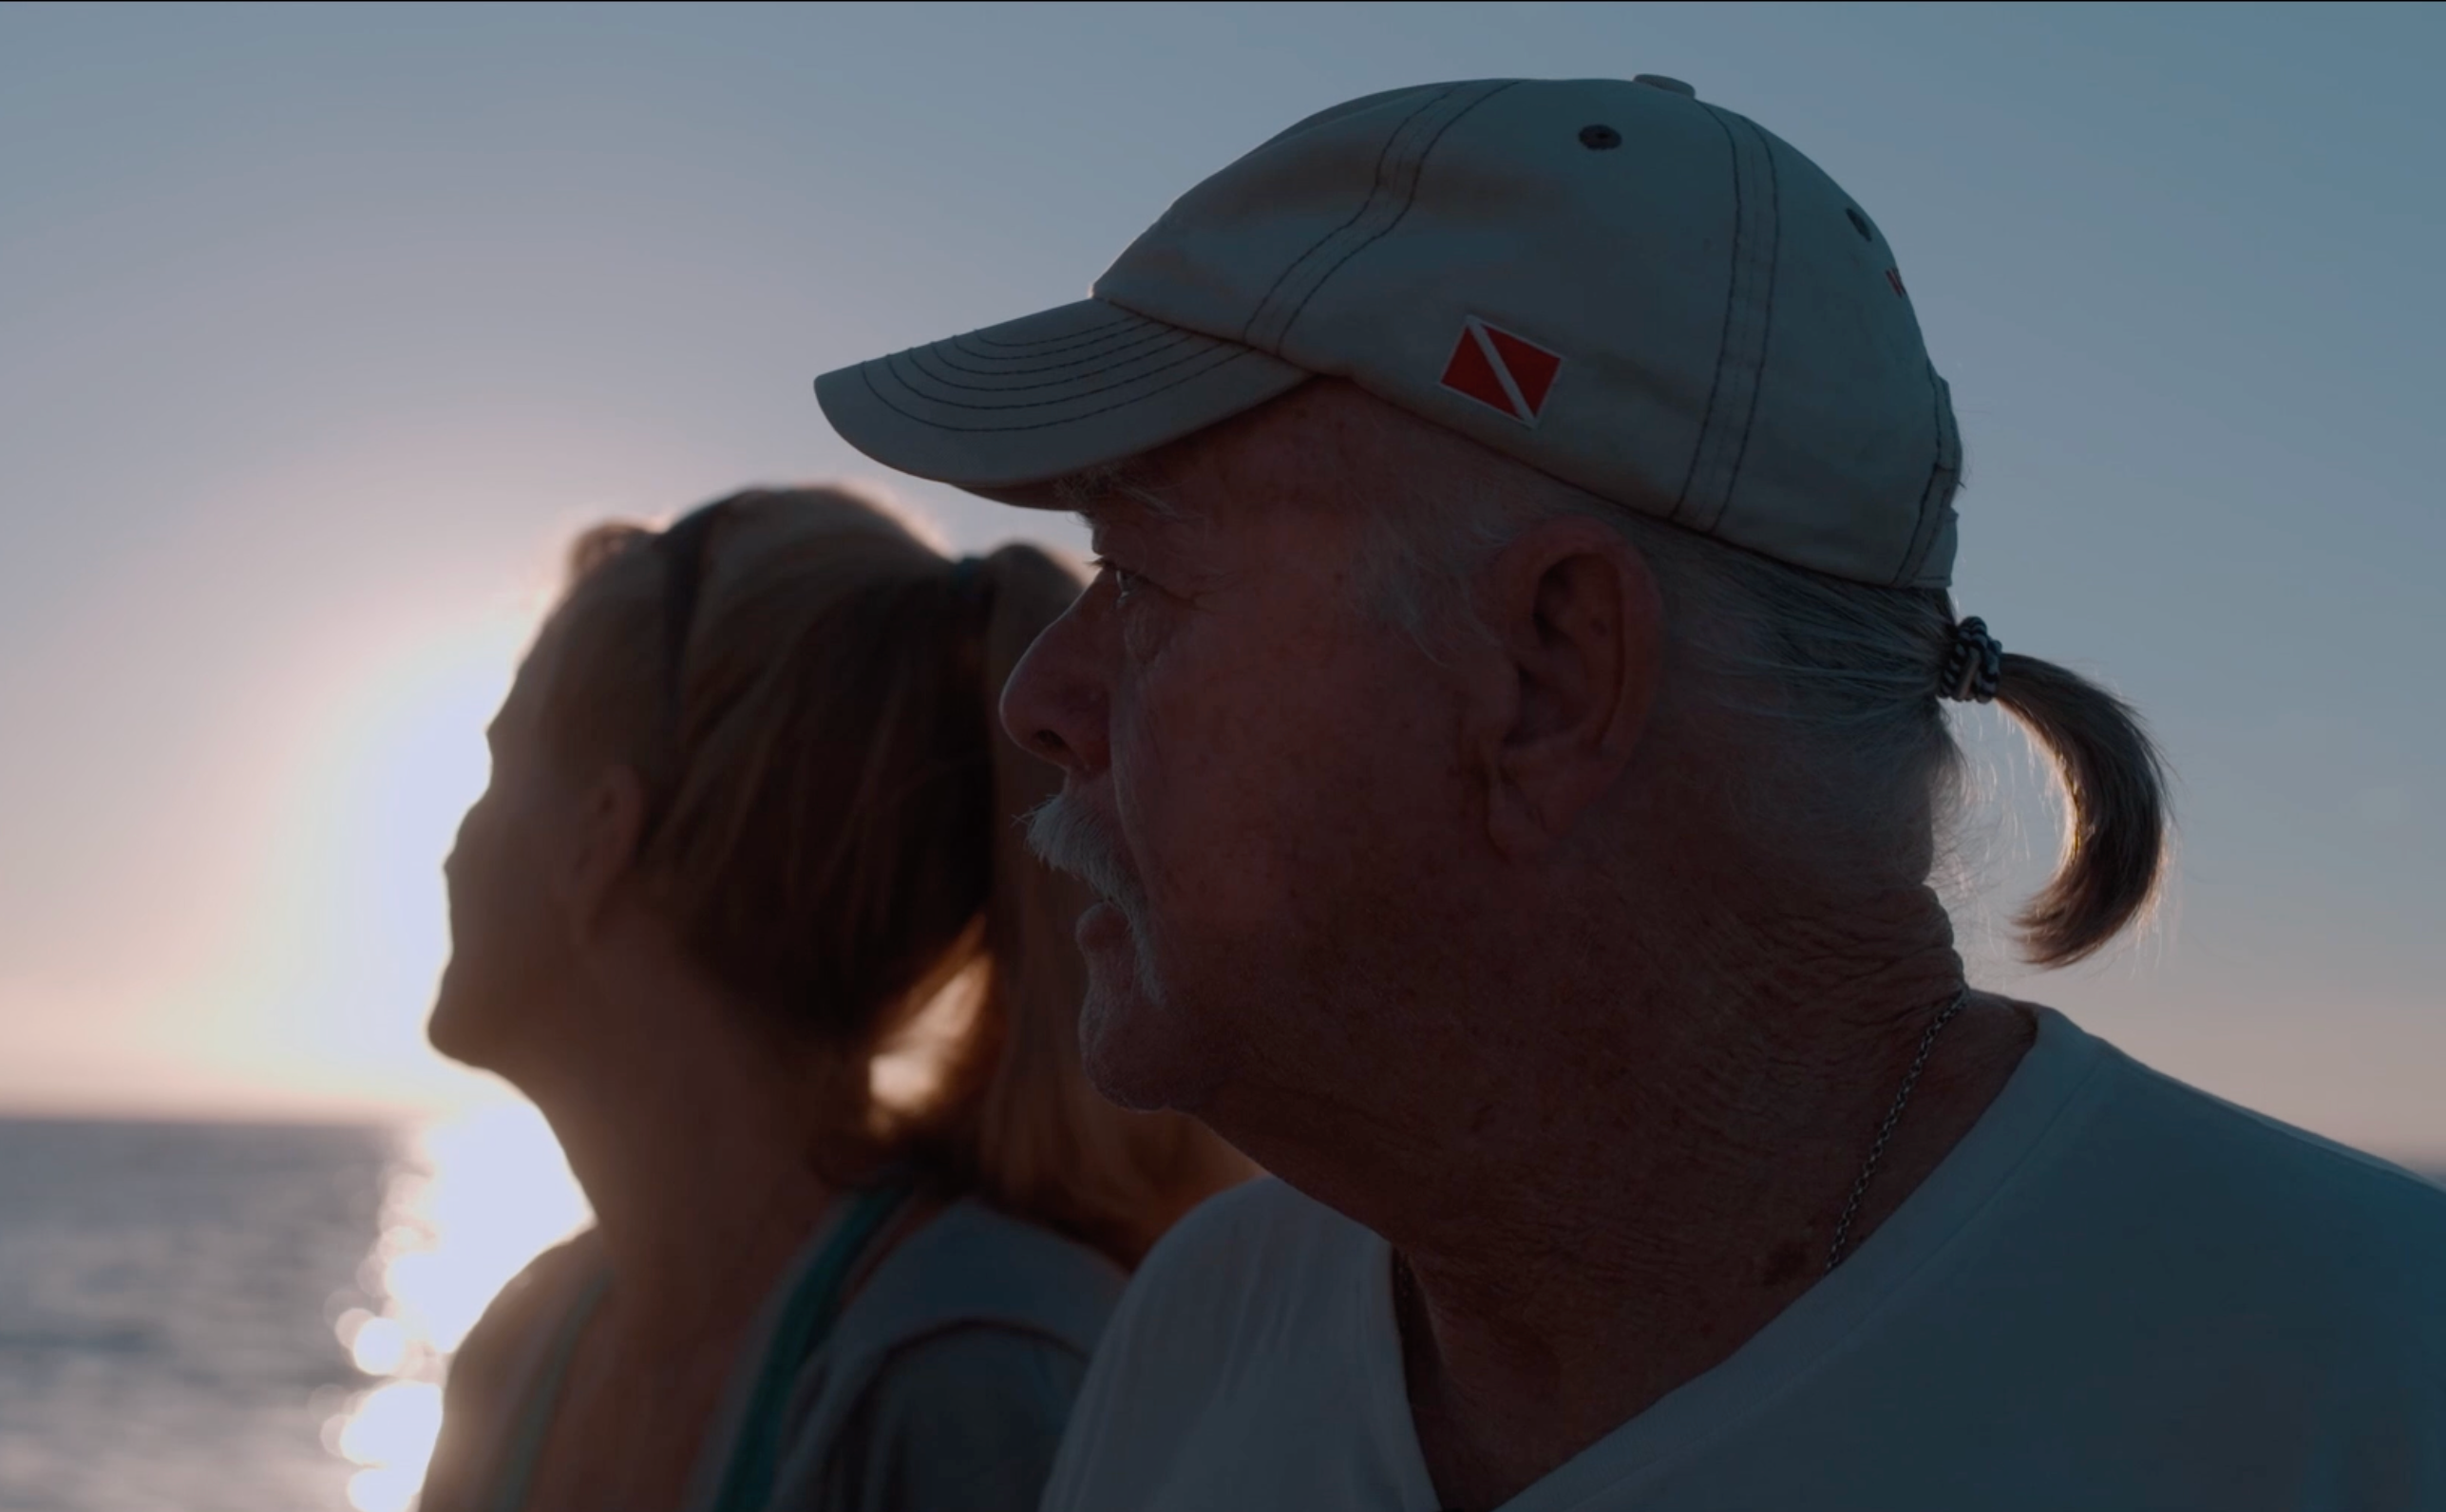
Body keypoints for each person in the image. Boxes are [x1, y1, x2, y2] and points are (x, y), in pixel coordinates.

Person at [816, 75, 2446, 1511]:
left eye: (1141, 575)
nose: (1042, 699)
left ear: (1548, 670)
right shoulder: (1202, 1329)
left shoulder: (2373, 1398)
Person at [414, 487, 1249, 1512]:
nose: (453, 844)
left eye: (499, 769)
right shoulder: (526, 1338)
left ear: (600, 833)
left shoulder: (979, 1383)